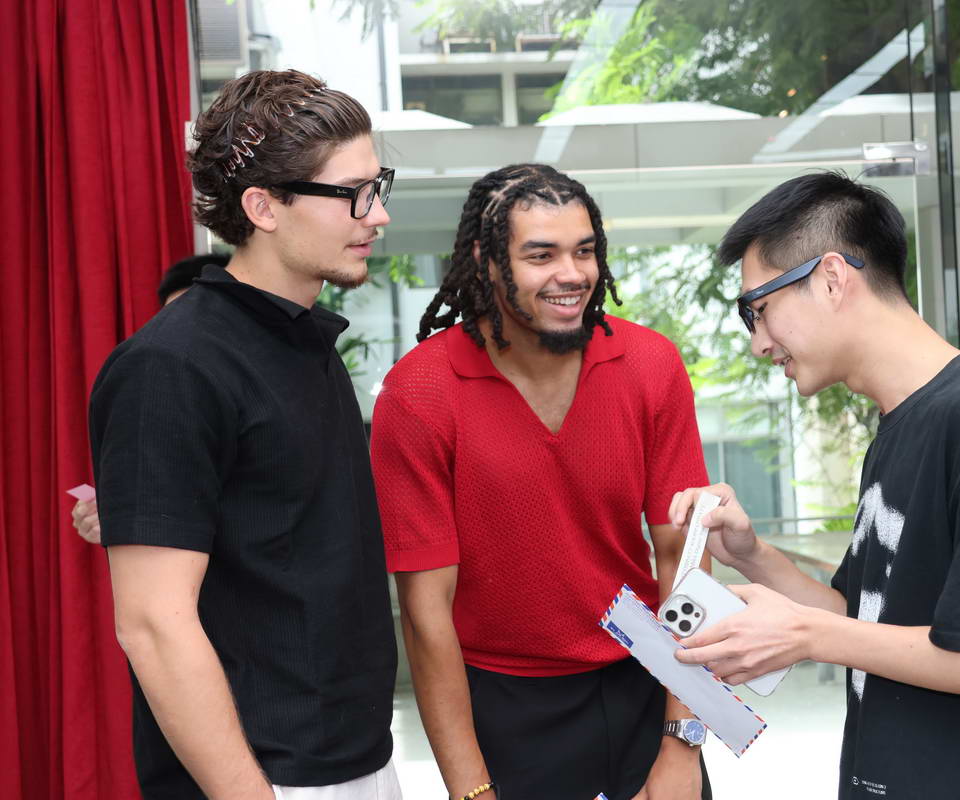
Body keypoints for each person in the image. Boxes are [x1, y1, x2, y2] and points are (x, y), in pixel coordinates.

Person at [668, 172, 960, 799]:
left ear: (832, 279)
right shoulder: (900, 426)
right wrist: (753, 555)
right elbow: (864, 620)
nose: (758, 344)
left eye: (759, 309)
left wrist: (806, 636)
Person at [88, 70, 399, 799]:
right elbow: (152, 624)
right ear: (263, 207)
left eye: (378, 185)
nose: (378, 214)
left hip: (354, 757)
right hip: (262, 775)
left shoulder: (305, 342)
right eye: (353, 193)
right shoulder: (171, 366)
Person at [370, 163, 713, 800]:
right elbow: (425, 615)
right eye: (541, 255)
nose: (572, 274)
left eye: (584, 251)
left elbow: (683, 558)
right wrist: (471, 790)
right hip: (503, 705)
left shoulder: (649, 363)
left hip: (646, 682)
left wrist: (682, 743)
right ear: (486, 262)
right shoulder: (420, 393)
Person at [72, 253, 231, 544]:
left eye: (202, 319)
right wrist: (124, 521)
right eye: (174, 320)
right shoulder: (159, 399)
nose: (186, 336)